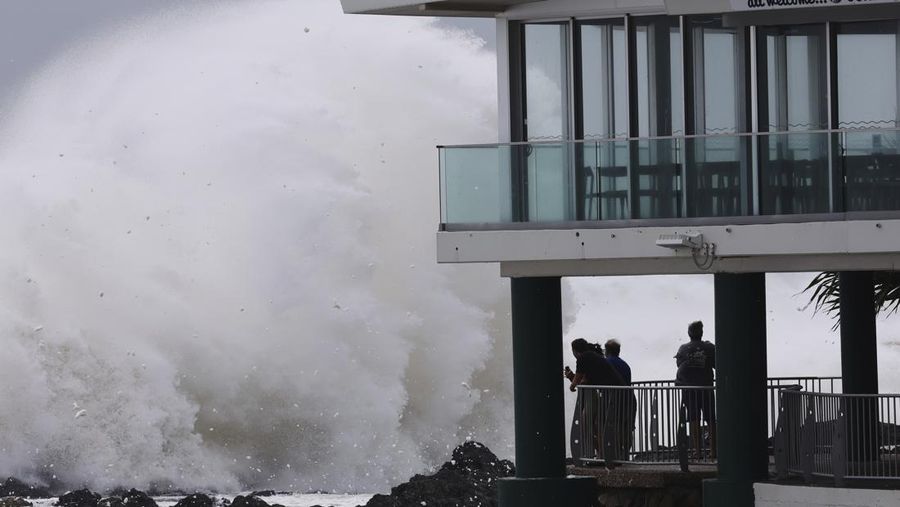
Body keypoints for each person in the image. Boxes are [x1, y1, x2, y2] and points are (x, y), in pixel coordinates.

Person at [565, 338, 625, 463]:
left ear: (575, 350)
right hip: (614, 392)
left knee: (594, 426)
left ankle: (603, 455)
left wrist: (572, 384)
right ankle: (603, 455)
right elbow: (586, 381)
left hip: (610, 394)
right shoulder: (593, 356)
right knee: (599, 426)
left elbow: (579, 379)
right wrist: (572, 377)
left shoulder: (583, 358)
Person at [675, 321, 716, 459]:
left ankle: (697, 451)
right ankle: (713, 450)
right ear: (702, 333)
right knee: (710, 419)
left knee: (693, 419)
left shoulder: (683, 348)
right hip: (707, 387)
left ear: (689, 334)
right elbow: (717, 364)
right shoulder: (709, 348)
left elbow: (679, 365)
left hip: (689, 389)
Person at [604, 339, 635, 460]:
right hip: (628, 398)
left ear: (607, 350)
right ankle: (625, 454)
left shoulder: (607, 362)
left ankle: (615, 456)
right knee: (625, 427)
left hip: (614, 400)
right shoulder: (625, 364)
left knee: (614, 426)